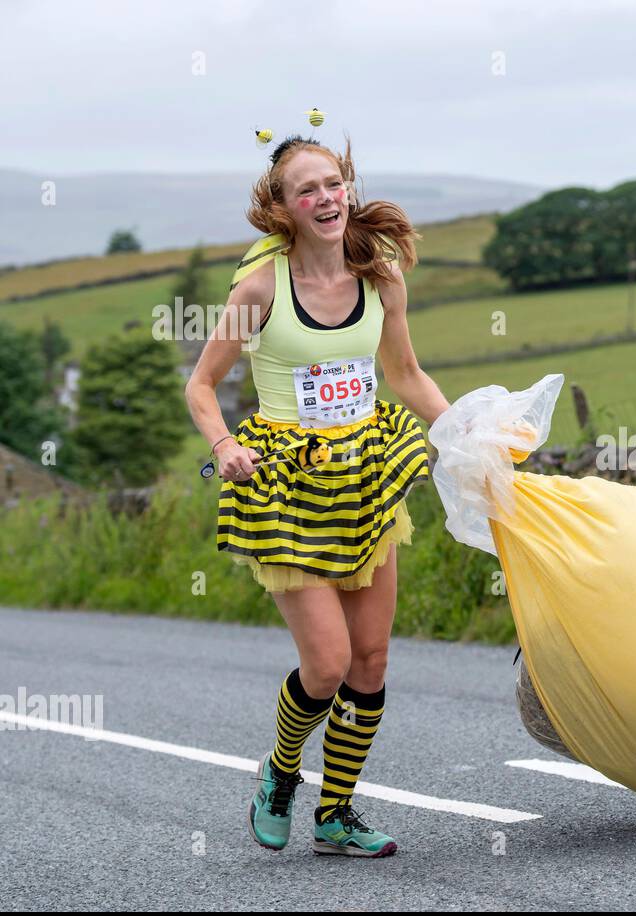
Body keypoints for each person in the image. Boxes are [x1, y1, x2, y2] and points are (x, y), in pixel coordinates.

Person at [185, 135, 451, 855]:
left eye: (333, 183)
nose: (326, 198)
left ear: (348, 187)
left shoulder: (380, 273)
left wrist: (463, 432)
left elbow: (405, 373)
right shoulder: (261, 289)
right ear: (282, 207)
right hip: (284, 490)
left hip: (366, 478)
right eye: (307, 190)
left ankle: (336, 816)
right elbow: (200, 384)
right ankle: (280, 772)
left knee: (370, 662)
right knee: (328, 664)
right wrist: (224, 445)